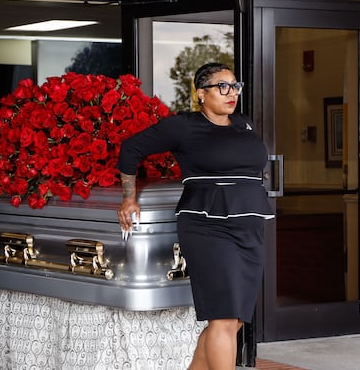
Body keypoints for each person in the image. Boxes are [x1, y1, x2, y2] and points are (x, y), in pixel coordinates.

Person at [116, 62, 274, 370]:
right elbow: (131, 148)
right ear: (201, 93)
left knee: (236, 319)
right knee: (224, 317)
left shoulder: (244, 125)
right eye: (222, 87)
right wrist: (128, 198)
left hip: (250, 226)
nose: (232, 93)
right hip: (208, 227)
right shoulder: (183, 126)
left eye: (235, 86)